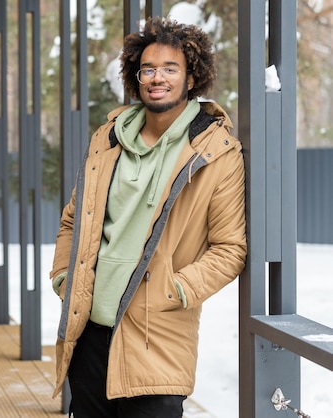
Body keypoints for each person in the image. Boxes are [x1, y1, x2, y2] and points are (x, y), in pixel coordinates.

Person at [50, 16, 247, 417]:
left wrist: (174, 291)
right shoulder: (107, 141)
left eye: (170, 68)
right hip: (88, 335)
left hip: (155, 339)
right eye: (149, 69)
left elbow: (229, 249)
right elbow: (74, 220)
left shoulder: (215, 151)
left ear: (192, 78)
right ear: (136, 77)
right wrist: (63, 277)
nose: (158, 78)